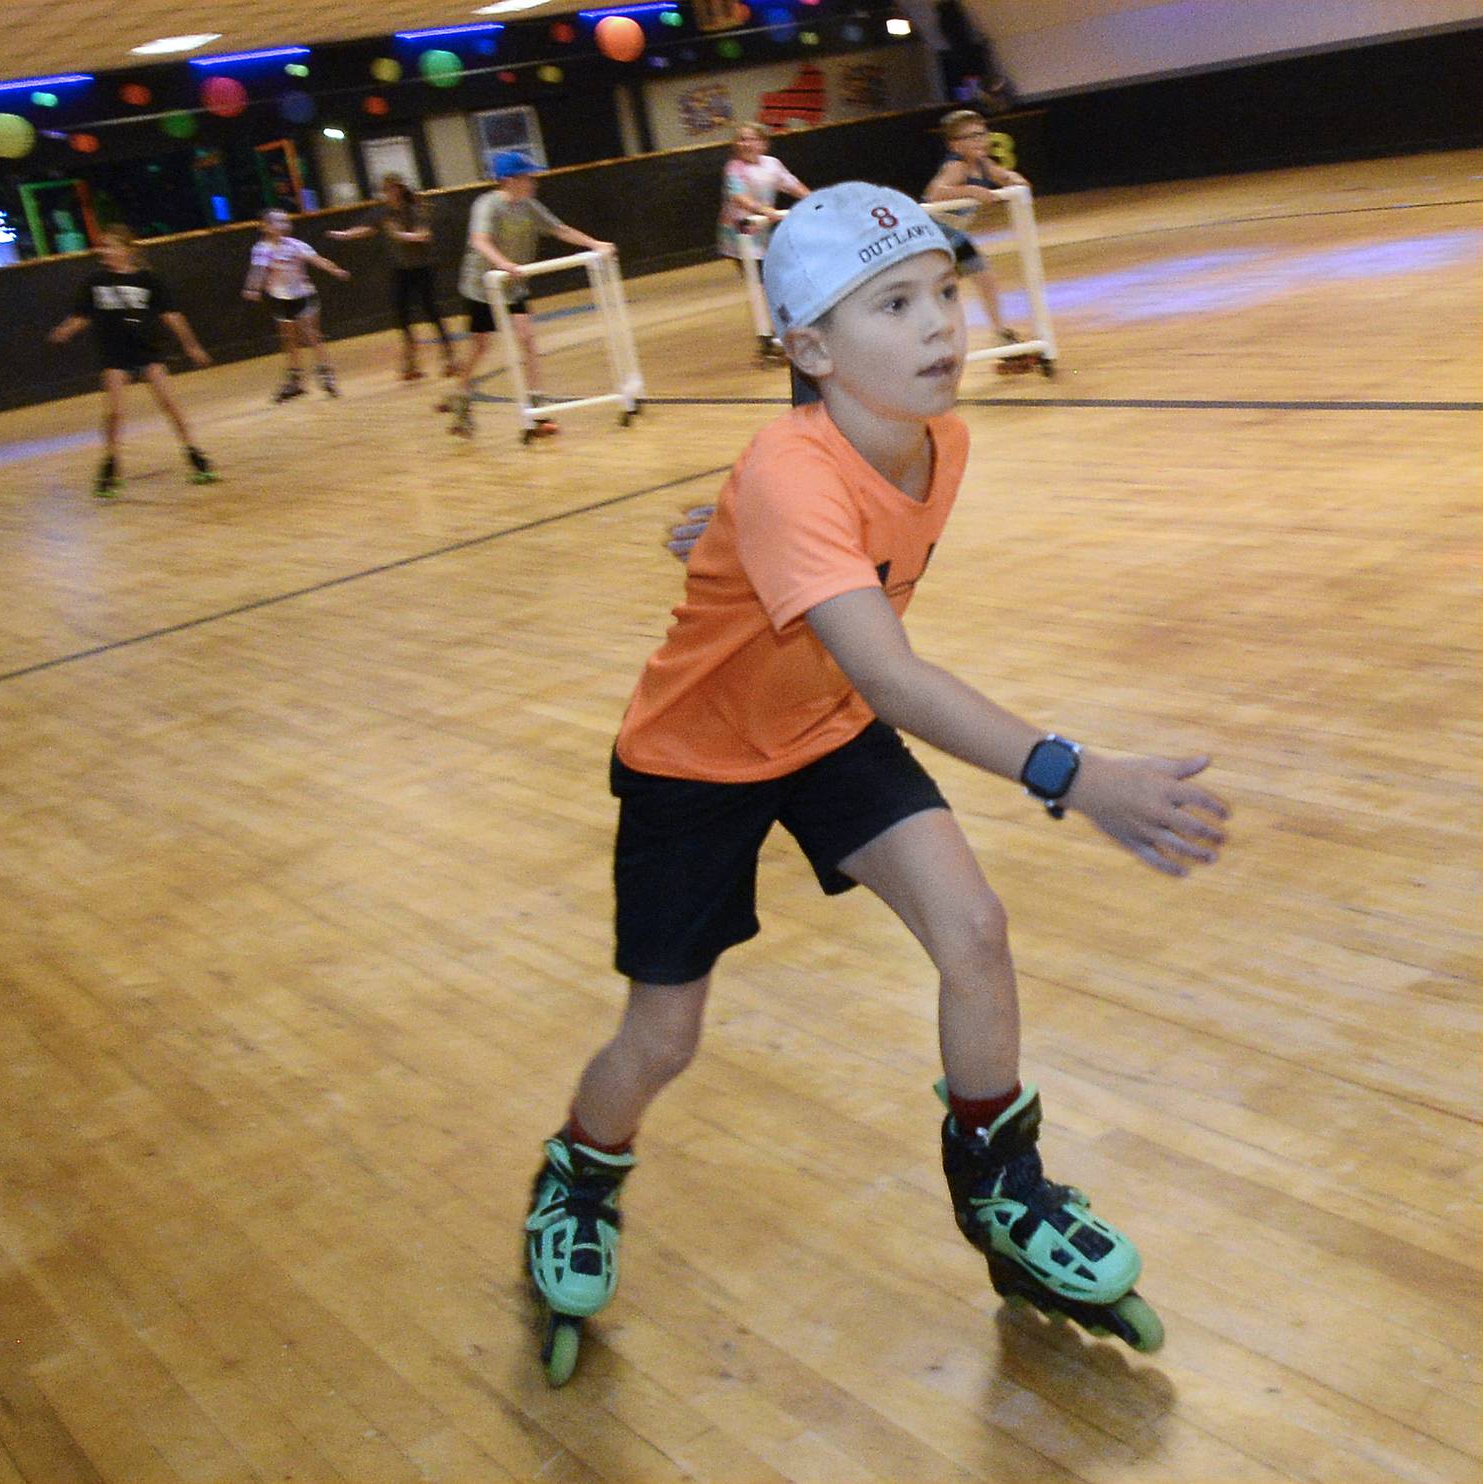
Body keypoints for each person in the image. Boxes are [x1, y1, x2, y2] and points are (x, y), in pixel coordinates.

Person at [524, 184, 1230, 1383]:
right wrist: (1073, 773)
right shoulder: (793, 472)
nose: (938, 325)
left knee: (975, 927)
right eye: (893, 304)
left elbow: (807, 518)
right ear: (807, 348)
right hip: (694, 764)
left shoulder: (933, 437)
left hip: (824, 729)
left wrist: (731, 521)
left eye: (945, 293)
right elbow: (891, 668)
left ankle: (1002, 1188)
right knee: (662, 1036)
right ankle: (581, 1170)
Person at [445, 152, 615, 438]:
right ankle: (460, 395)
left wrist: (594, 244)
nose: (532, 181)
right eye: (527, 177)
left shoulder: (529, 207)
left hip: (512, 287)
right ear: (508, 181)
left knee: (528, 340)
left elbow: (560, 229)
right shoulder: (487, 205)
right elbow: (479, 240)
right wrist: (504, 264)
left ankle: (536, 408)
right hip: (482, 287)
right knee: (480, 347)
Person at [46, 224, 215, 499]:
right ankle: (111, 465)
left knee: (168, 403)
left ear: (127, 250)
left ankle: (195, 454)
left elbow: (172, 315)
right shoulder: (95, 282)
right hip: (115, 355)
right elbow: (81, 315)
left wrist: (192, 346)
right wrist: (64, 330)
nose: (105, 251)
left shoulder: (148, 280)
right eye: (103, 246)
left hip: (147, 351)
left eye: (111, 246)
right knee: (114, 412)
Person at [327, 175, 457, 382]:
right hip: (400, 271)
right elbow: (368, 229)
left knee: (432, 312)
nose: (389, 193)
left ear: (399, 189)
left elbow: (425, 235)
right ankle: (411, 363)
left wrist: (400, 235)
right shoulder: (383, 213)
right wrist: (346, 234)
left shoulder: (415, 209)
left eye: (391, 188)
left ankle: (450, 358)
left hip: (421, 268)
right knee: (402, 316)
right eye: (386, 189)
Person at [922, 109, 1029, 352]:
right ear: (954, 145)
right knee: (936, 292)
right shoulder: (956, 166)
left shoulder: (983, 164)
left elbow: (1003, 175)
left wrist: (1014, 179)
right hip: (931, 237)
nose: (979, 140)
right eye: (970, 137)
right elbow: (934, 193)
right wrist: (968, 191)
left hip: (955, 236)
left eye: (982, 134)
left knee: (986, 279)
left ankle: (1000, 332)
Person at [717, 121, 810, 362]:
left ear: (762, 142)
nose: (745, 144)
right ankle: (768, 338)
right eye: (741, 139)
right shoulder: (734, 168)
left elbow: (791, 184)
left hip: (764, 233)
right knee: (759, 284)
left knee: (776, 282)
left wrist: (814, 200)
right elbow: (738, 196)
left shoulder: (772, 165)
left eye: (750, 139)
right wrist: (764, 210)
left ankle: (779, 334)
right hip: (740, 236)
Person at [243, 209, 351, 402]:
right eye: (277, 222)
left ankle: (326, 375)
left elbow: (318, 260)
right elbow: (258, 271)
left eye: (284, 221)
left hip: (304, 296)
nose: (282, 225)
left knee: (311, 335)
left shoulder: (295, 245)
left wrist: (336, 270)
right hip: (280, 298)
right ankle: (295, 381)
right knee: (288, 338)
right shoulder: (261, 249)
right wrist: (253, 288)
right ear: (266, 226)